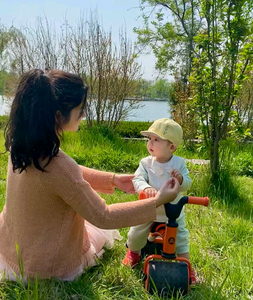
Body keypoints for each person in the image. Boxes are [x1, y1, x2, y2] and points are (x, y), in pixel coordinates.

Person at [0, 69, 181, 282]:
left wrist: (111, 179)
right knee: (93, 227)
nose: (84, 114)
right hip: (48, 266)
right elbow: (103, 216)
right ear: (58, 115)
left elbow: (64, 177)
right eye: (80, 109)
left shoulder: (22, 146)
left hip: (11, 250)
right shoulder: (58, 166)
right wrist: (159, 201)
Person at [122, 118, 197, 283]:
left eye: (156, 139)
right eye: (149, 139)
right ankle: (134, 253)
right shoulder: (145, 163)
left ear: (172, 146)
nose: (150, 143)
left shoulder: (179, 163)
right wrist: (144, 188)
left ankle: (187, 266)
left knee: (181, 239)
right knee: (135, 233)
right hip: (148, 208)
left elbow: (187, 184)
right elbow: (137, 178)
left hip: (172, 212)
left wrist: (181, 179)